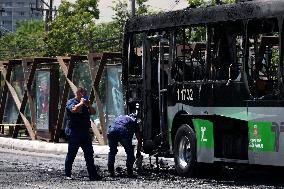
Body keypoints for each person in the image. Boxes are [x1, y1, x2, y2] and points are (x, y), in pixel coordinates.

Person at [64, 87, 101, 181]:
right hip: (74, 132)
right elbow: (73, 110)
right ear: (78, 93)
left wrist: (88, 105)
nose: (85, 95)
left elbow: (93, 112)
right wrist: (81, 103)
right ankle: (67, 174)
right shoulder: (71, 102)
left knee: (89, 154)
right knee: (72, 154)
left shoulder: (85, 104)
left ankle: (93, 175)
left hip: (85, 132)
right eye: (83, 93)